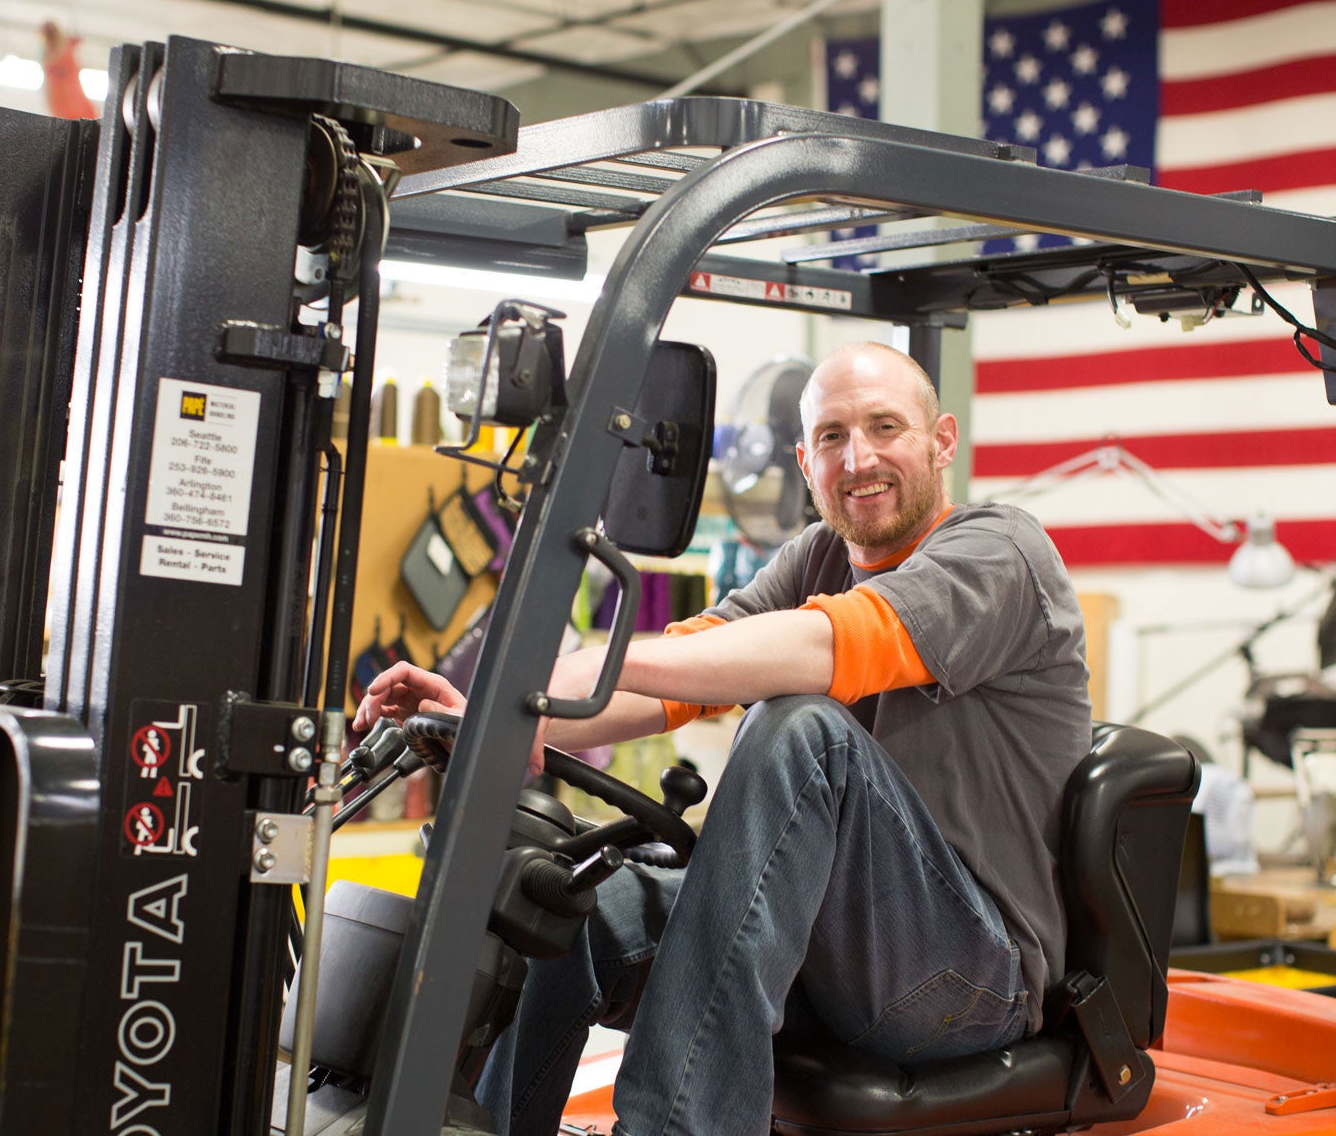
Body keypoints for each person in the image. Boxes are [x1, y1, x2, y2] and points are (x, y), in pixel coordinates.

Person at [357, 341, 1091, 1136]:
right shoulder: (815, 558)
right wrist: (501, 713)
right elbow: (671, 676)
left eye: (886, 428)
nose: (860, 458)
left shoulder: (1002, 552)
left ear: (942, 440)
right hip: (830, 951)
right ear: (805, 461)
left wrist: (584, 676)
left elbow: (830, 648)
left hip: (970, 979)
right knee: (561, 901)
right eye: (835, 438)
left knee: (801, 727)